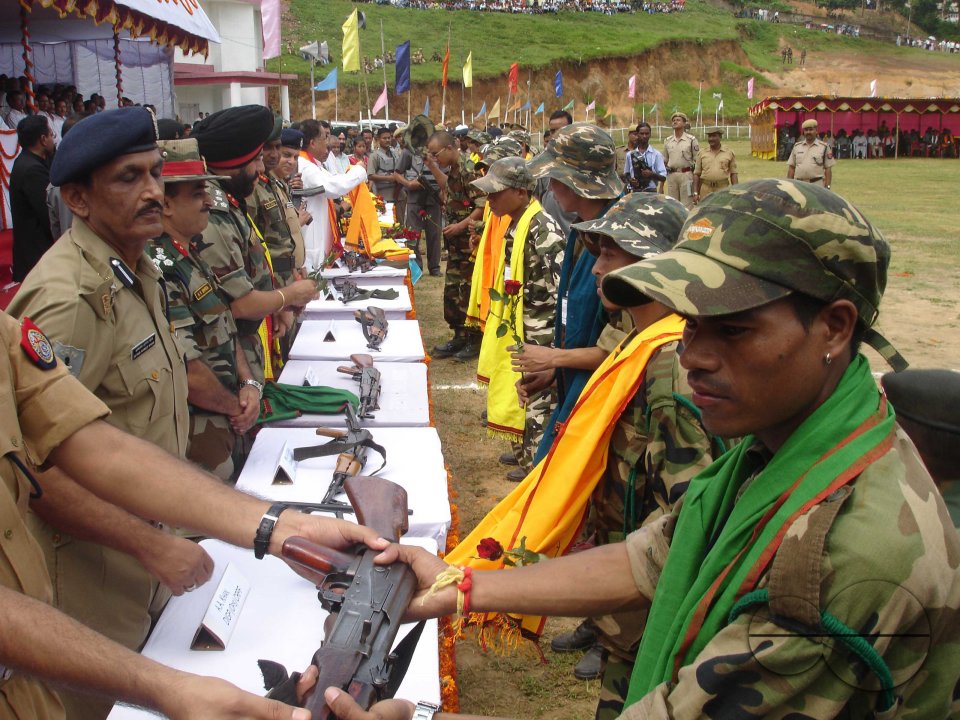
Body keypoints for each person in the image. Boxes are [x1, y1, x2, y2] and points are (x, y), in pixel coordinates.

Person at [323, 179, 960, 720]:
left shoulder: (834, 565)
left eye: (734, 328)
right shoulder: (794, 444)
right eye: (689, 324)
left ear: (835, 326)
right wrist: (464, 588)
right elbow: (651, 556)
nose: (695, 355)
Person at [0, 307, 388, 719]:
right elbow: (52, 476)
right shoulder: (67, 295)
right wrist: (164, 687)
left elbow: (96, 447)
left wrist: (279, 527)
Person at [7, 107, 193, 720]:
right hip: (93, 575)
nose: (153, 192)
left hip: (143, 552)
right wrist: (146, 543)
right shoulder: (68, 298)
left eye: (155, 173)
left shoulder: (133, 270)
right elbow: (33, 469)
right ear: (78, 201)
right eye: (128, 178)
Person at [515, 123, 627, 467]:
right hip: (576, 388)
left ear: (578, 180)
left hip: (609, 409)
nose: (549, 185)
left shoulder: (621, 240)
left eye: (555, 175)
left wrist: (554, 360)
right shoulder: (585, 231)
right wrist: (555, 370)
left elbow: (625, 348)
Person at [149, 138, 258, 482]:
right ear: (166, 204)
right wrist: (235, 407)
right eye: (198, 194)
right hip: (198, 437)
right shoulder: (159, 270)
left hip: (225, 422)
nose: (209, 201)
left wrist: (249, 383)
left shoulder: (191, 252)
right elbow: (185, 370)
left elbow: (224, 325)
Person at [192, 106, 320, 387]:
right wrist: (288, 296)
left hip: (247, 341)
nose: (262, 168)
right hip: (226, 363)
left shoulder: (231, 203)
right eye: (255, 160)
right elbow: (238, 304)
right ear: (233, 164)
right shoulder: (213, 214)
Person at [468, 157, 565, 476]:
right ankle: (526, 456)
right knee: (522, 407)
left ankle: (536, 472)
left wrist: (555, 354)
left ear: (522, 192)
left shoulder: (543, 231)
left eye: (497, 192)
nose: (489, 199)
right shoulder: (515, 226)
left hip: (541, 341)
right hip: (521, 335)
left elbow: (560, 295)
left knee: (538, 414)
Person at [426, 129, 484, 360]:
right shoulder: (455, 170)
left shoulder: (471, 170)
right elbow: (448, 189)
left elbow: (482, 207)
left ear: (450, 148)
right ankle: (459, 335)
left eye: (435, 153)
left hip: (469, 243)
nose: (434, 157)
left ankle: (474, 339)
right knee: (453, 292)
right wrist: (432, 167)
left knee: (468, 292)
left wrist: (460, 226)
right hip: (456, 246)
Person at [297, 119, 368, 269]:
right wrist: (358, 170)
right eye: (324, 138)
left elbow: (332, 180)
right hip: (311, 243)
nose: (328, 143)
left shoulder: (312, 164)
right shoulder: (305, 166)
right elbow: (333, 187)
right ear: (313, 143)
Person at [10, 115, 56, 282]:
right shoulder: (32, 170)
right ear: (43, 139)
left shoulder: (27, 161)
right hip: (37, 253)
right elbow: (48, 214)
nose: (53, 140)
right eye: (51, 135)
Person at [662, 111, 699, 208]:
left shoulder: (691, 140)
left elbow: (697, 161)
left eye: (678, 120)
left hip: (686, 175)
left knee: (687, 205)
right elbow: (664, 161)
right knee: (673, 205)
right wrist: (661, 185)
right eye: (673, 120)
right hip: (672, 176)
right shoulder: (667, 141)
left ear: (684, 123)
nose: (675, 122)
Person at [692, 127, 738, 202]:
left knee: (721, 211)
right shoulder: (702, 153)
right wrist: (695, 192)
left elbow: (733, 174)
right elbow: (696, 174)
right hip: (705, 188)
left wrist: (735, 191)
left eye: (714, 136)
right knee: (705, 211)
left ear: (720, 137)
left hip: (722, 188)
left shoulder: (729, 153)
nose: (711, 139)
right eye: (709, 136)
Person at [787, 118, 835, 188]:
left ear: (816, 131)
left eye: (811, 129)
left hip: (817, 185)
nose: (808, 132)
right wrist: (789, 186)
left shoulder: (824, 147)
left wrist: (828, 186)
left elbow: (828, 169)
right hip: (799, 185)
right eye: (806, 130)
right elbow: (791, 168)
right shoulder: (797, 147)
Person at [623, 122, 666, 194]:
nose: (644, 136)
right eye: (642, 133)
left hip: (651, 191)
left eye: (647, 133)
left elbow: (663, 177)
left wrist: (652, 174)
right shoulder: (630, 155)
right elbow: (626, 173)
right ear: (637, 134)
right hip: (636, 191)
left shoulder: (656, 154)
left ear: (650, 135)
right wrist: (631, 181)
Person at [368, 126, 400, 202]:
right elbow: (370, 175)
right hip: (382, 195)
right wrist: (389, 178)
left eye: (389, 138)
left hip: (398, 194)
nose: (387, 140)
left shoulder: (395, 153)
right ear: (379, 139)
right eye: (384, 138)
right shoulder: (374, 156)